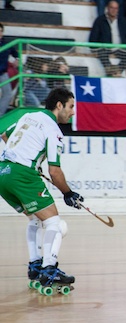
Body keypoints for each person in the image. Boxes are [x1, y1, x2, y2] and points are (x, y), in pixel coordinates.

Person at [0, 88, 83, 292]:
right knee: (54, 222)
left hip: (3, 173)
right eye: (71, 107)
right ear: (59, 105)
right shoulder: (53, 130)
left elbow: (5, 135)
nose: (73, 112)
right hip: (22, 176)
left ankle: (35, 265)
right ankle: (49, 270)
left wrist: (25, 156)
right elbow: (54, 171)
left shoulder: (29, 116)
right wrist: (68, 193)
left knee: (35, 219)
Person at [88, 1, 126, 73]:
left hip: (119, 48)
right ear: (107, 8)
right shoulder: (100, 20)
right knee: (102, 53)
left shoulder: (123, 21)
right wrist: (95, 49)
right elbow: (93, 37)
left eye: (116, 8)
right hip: (105, 48)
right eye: (112, 8)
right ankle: (110, 71)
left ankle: (117, 71)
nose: (114, 10)